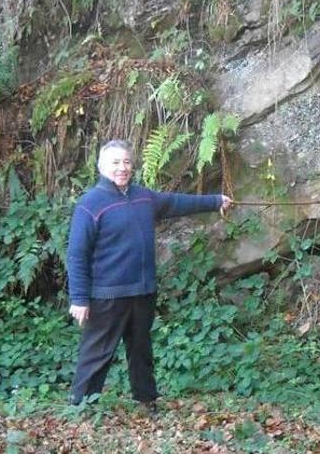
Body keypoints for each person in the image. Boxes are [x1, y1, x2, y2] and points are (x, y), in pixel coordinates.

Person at [66, 139, 232, 408]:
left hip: (143, 291)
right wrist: (79, 299)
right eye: (116, 163)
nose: (122, 168)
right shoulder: (90, 204)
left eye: (127, 162)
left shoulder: (144, 197)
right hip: (107, 295)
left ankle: (147, 400)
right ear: (101, 166)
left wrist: (215, 201)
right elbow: (76, 254)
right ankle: (81, 405)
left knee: (141, 350)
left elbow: (177, 202)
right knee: (97, 353)